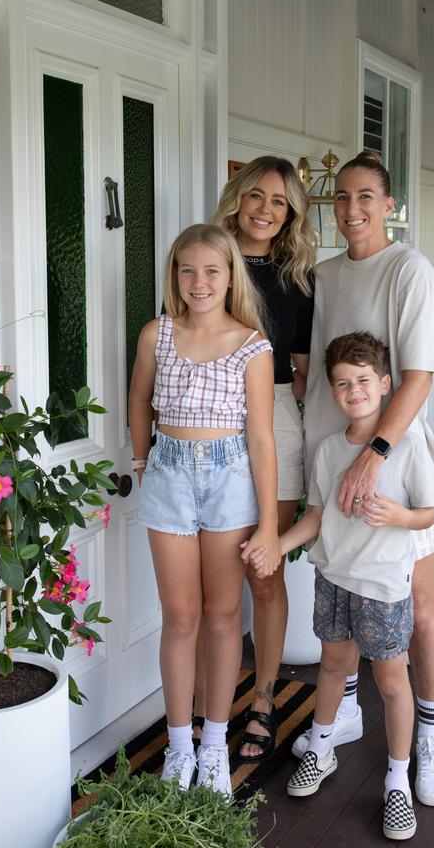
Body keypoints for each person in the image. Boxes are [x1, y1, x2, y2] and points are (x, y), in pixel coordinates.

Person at [296, 151, 434, 807]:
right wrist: (324, 458)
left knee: (417, 606)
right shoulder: (326, 274)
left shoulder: (410, 272)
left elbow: (417, 375)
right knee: (342, 592)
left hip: (396, 459)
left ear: (389, 205)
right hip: (336, 457)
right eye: (342, 198)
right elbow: (316, 371)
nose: (352, 208)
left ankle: (430, 735)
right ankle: (347, 716)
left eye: (366, 196)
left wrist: (376, 454)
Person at [249, 331, 434, 841]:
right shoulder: (329, 451)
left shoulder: (404, 447)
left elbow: (428, 511)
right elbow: (316, 516)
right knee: (334, 665)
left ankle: (398, 779)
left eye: (363, 380)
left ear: (385, 384)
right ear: (333, 391)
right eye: (342, 383)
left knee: (390, 682)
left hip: (383, 587)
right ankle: (321, 747)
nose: (353, 390)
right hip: (333, 578)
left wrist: (401, 515)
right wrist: (277, 543)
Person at [128, 223, 280, 797]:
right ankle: (179, 744)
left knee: (221, 616)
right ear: (175, 276)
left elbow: (261, 438)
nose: (199, 282)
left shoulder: (252, 345)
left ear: (230, 276)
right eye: (187, 270)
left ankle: (215, 743)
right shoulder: (157, 335)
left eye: (212, 271)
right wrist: (145, 461)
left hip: (229, 479)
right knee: (180, 617)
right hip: (168, 475)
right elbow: (140, 398)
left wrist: (268, 521)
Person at [203, 156, 317, 761]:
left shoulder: (300, 277)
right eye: (257, 196)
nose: (266, 209)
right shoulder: (208, 260)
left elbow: (301, 371)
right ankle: (209, 700)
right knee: (216, 570)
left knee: (264, 570)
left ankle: (266, 698)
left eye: (279, 201)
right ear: (237, 198)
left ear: (291, 212)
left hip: (276, 414)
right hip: (211, 417)